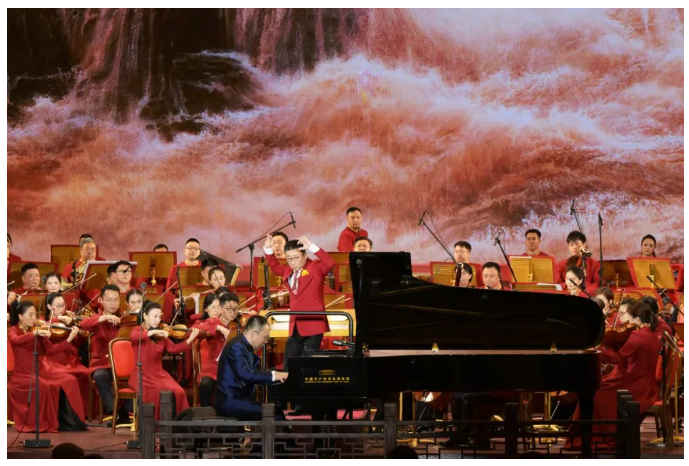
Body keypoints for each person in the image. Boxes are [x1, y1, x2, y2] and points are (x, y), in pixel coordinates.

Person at [573, 301, 661, 446]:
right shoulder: (650, 335)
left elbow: (617, 359)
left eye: (629, 317)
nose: (626, 321)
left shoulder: (638, 336)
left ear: (637, 319)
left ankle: (595, 435)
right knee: (599, 387)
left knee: (596, 394)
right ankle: (596, 433)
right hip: (644, 383)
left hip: (637, 385)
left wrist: (597, 349)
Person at [8, 300, 87, 432]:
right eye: (30, 315)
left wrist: (69, 339)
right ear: (20, 316)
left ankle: (70, 422)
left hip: (41, 371)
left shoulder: (39, 330)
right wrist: (34, 334)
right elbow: (15, 340)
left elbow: (51, 350)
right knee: (44, 386)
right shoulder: (14, 330)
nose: (34, 318)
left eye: (35, 314)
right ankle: (44, 423)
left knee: (70, 379)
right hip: (23, 375)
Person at [264, 235, 334, 371]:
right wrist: (268, 248)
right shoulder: (287, 269)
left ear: (305, 256)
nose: (292, 262)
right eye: (289, 258)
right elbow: (274, 266)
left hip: (313, 324)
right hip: (295, 325)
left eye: (296, 258)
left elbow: (330, 263)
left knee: (307, 367)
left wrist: (312, 247)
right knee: (289, 366)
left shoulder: (315, 268)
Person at [129, 302, 200, 419]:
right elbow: (134, 337)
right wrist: (154, 332)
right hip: (142, 375)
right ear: (145, 316)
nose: (158, 320)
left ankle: (178, 422)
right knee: (157, 391)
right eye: (155, 316)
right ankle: (156, 423)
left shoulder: (161, 334)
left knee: (179, 391)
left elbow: (174, 349)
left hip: (159, 374)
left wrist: (191, 338)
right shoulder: (137, 330)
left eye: (159, 317)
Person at [215, 315, 288, 420]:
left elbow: (251, 374)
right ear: (254, 334)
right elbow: (246, 374)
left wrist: (276, 376)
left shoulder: (242, 345)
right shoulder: (237, 346)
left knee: (275, 409)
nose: (266, 341)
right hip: (231, 402)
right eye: (265, 337)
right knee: (275, 413)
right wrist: (276, 375)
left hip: (239, 399)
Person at [79, 285, 131, 426]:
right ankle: (117, 412)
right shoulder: (98, 319)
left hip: (123, 364)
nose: (113, 303)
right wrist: (104, 317)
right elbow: (83, 324)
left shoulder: (125, 318)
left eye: (116, 300)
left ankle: (131, 411)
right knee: (100, 376)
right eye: (109, 300)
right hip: (102, 364)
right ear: (101, 300)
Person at [43, 292, 91, 415]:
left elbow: (76, 343)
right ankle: (69, 414)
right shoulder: (45, 321)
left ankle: (84, 412)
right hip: (53, 360)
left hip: (70, 360)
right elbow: (46, 325)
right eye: (58, 306)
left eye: (63, 305)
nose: (62, 309)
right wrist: (58, 318)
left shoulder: (68, 320)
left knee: (85, 373)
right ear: (49, 307)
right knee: (69, 377)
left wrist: (79, 334)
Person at [192, 293, 236, 407]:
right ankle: (206, 415)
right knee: (206, 384)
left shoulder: (237, 324)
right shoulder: (213, 322)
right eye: (228, 309)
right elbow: (197, 328)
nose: (232, 312)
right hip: (213, 368)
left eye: (234, 309)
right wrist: (218, 328)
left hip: (232, 368)